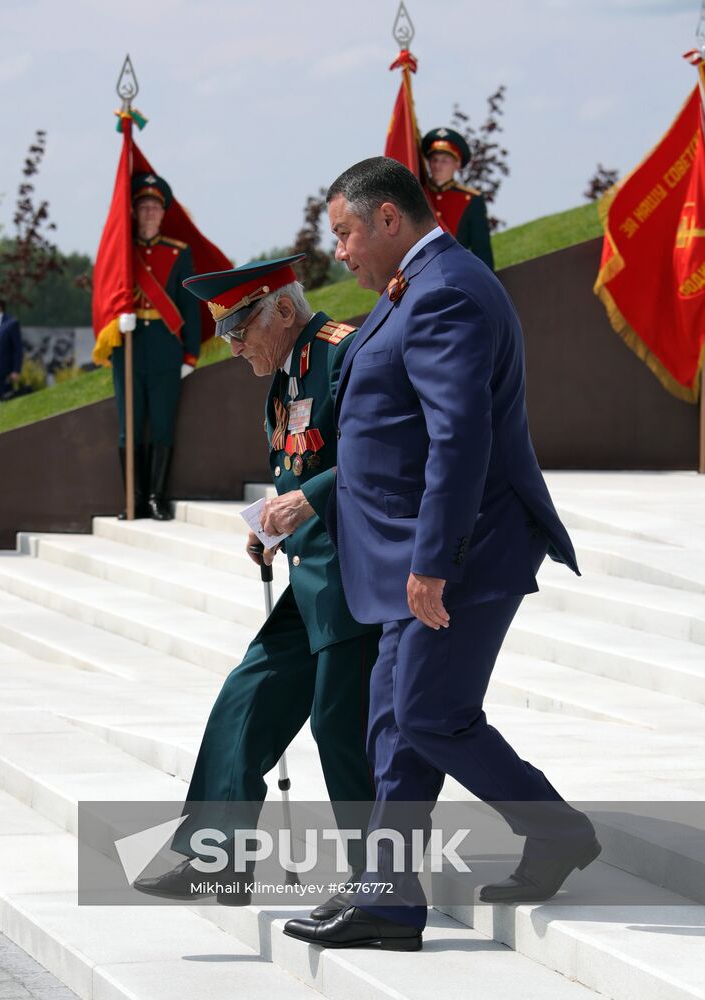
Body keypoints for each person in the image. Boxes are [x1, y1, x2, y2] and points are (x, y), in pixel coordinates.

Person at [283, 157, 599, 952]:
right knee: (394, 723)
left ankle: (555, 829)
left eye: (347, 233)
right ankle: (387, 901)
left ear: (390, 219)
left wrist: (433, 562)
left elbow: (460, 439)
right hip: (411, 554)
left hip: (461, 553)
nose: (341, 252)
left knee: (426, 715)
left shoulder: (445, 291)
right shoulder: (415, 286)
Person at [133, 255, 379, 912]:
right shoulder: (286, 376)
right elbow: (301, 466)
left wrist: (305, 502)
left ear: (285, 310)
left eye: (240, 329)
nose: (233, 345)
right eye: (225, 333)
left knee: (340, 725)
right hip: (313, 575)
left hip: (359, 575)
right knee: (246, 697)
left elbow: (386, 455)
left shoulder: (347, 354)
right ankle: (216, 855)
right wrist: (274, 524)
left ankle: (380, 882)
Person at [111, 172, 201, 520]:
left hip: (166, 347)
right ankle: (132, 499)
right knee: (129, 426)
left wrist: (190, 353)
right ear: (134, 212)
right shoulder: (122, 252)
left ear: (163, 214)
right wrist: (116, 321)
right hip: (129, 347)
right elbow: (106, 295)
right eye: (143, 207)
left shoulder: (178, 253)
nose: (149, 213)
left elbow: (189, 306)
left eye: (154, 208)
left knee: (162, 424)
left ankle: (155, 497)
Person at [421, 127, 494, 270]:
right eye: (434, 160)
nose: (437, 165)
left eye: (444, 161)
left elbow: (481, 251)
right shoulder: (419, 195)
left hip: (455, 273)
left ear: (457, 164)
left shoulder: (472, 200)